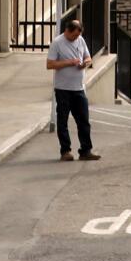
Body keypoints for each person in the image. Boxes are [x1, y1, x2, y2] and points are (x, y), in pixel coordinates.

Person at [46, 16, 99, 161]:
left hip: (78, 88)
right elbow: (50, 64)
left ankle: (86, 149)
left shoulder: (80, 40)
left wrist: (85, 63)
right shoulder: (57, 43)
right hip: (63, 88)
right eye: (74, 35)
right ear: (67, 31)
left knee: (83, 120)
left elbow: (88, 58)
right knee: (62, 120)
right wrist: (69, 62)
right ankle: (65, 150)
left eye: (78, 35)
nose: (76, 37)